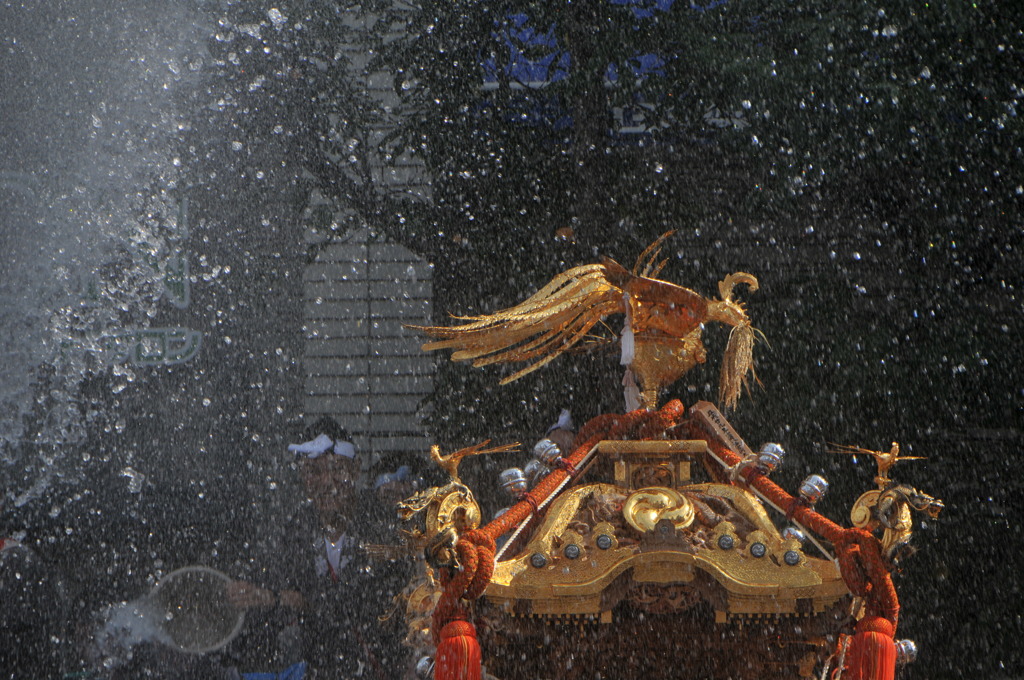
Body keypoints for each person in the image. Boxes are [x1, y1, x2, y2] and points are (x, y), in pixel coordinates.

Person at [226, 417, 409, 679]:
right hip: (323, 668)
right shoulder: (299, 527)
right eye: (314, 471)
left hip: (383, 667)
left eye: (337, 470)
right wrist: (252, 593)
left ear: (356, 470)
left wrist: (291, 599)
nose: (327, 482)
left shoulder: (382, 525)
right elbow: (281, 582)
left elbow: (365, 605)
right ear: (302, 476)